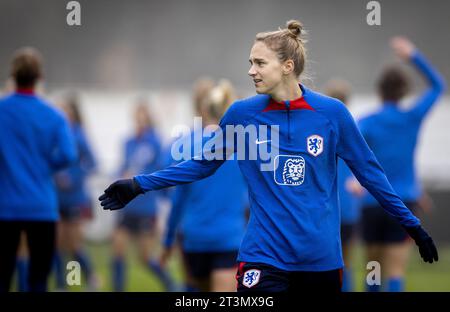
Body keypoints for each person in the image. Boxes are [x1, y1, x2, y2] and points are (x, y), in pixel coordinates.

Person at [99, 20, 438, 293]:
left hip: (320, 261)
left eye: (260, 63)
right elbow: (202, 164)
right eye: (250, 62)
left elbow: (371, 175)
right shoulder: (242, 114)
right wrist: (138, 184)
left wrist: (413, 226)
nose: (251, 71)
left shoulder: (332, 115)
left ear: (287, 66)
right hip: (263, 259)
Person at [358, 37, 446, 292]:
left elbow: (346, 152)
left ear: (379, 91)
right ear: (404, 91)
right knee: (396, 270)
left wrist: (351, 181)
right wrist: (413, 56)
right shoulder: (412, 118)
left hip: (372, 201)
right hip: (404, 201)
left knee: (373, 269)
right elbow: (439, 86)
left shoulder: (367, 122)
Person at [0, 47, 77, 292]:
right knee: (39, 281)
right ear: (39, 77)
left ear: (13, 76)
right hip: (41, 206)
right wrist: (44, 166)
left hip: (6, 206)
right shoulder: (53, 115)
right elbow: (68, 155)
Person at [160, 80, 249, 292]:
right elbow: (256, 197)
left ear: (202, 108)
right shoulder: (244, 145)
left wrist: (168, 239)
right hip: (230, 237)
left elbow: (177, 199)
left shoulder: (184, 145)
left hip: (194, 238)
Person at [110, 101, 176, 291]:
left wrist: (165, 198)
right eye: (136, 115)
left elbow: (161, 170)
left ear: (148, 117)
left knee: (145, 257)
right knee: (118, 249)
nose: (139, 120)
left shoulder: (155, 142)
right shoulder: (128, 142)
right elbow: (123, 165)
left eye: (143, 115)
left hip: (145, 206)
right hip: (127, 205)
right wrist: (118, 176)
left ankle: (170, 283)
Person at [53, 93, 99, 291]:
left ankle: (90, 278)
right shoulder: (55, 133)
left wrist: (75, 177)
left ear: (73, 112)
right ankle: (62, 284)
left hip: (74, 197)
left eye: (65, 109)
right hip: (56, 197)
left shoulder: (79, 135)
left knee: (73, 244)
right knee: (56, 243)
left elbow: (92, 163)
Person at [324, 79, 364, 292]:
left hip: (325, 205)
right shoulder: (355, 129)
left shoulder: (319, 128)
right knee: (346, 260)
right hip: (348, 206)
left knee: (323, 262)